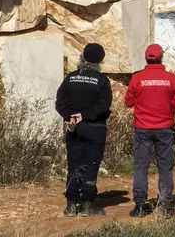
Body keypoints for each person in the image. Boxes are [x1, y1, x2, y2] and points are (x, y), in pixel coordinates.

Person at [124, 44, 175, 218]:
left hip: (143, 129)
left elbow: (128, 102)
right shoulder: (171, 78)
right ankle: (165, 206)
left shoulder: (137, 78)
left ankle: (139, 206)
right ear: (161, 58)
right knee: (165, 167)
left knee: (141, 167)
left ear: (146, 59)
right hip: (165, 129)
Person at [55, 42, 112, 217]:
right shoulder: (102, 80)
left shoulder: (71, 78)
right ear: (100, 61)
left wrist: (71, 115)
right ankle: (87, 205)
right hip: (95, 128)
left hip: (74, 128)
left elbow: (60, 102)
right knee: (91, 165)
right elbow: (104, 105)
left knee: (74, 164)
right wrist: (85, 114)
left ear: (82, 58)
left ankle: (71, 205)